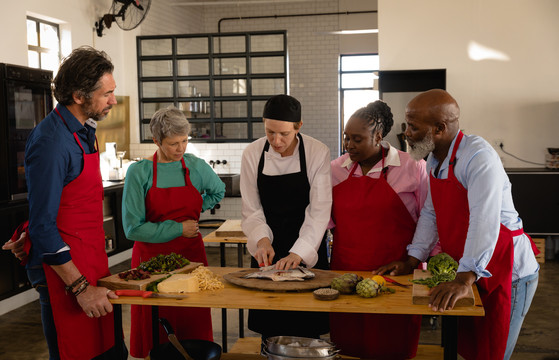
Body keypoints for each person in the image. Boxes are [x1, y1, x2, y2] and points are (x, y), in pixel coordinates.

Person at [374, 89, 540, 360]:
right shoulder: (433, 159)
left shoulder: (478, 158)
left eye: (413, 127)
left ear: (439, 128)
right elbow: (430, 214)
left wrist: (465, 277)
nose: (407, 133)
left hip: (507, 271)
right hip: (472, 269)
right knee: (472, 350)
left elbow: (484, 221)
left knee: (492, 352)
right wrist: (412, 259)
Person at [18, 46, 125, 360]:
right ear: (79, 96)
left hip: (90, 260)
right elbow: (43, 225)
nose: (113, 101)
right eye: (107, 94)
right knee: (75, 353)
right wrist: (81, 288)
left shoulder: (82, 130)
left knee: (110, 352)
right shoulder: (51, 142)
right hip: (65, 276)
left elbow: (59, 204)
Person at [122, 106, 225, 358]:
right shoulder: (139, 172)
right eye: (173, 144)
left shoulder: (196, 167)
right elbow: (132, 228)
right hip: (151, 263)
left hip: (191, 258)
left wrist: (196, 210)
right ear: (156, 141)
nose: (181, 149)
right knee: (156, 325)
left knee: (193, 321)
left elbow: (218, 191)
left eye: (185, 141)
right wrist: (179, 227)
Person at [329, 100, 428, 359]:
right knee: (348, 344)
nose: (349, 145)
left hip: (396, 272)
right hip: (345, 271)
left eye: (357, 139)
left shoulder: (412, 166)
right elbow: (321, 219)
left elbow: (429, 218)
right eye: (346, 138)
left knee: (392, 342)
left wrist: (415, 262)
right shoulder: (334, 170)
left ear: (378, 136)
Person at [240, 94, 332, 342]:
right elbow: (251, 207)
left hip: (307, 247)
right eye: (270, 132)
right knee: (271, 327)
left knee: (307, 324)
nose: (276, 140)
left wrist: (299, 252)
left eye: (284, 134)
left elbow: (319, 209)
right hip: (266, 249)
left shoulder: (317, 152)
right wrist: (260, 240)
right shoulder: (252, 153)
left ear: (298, 127)